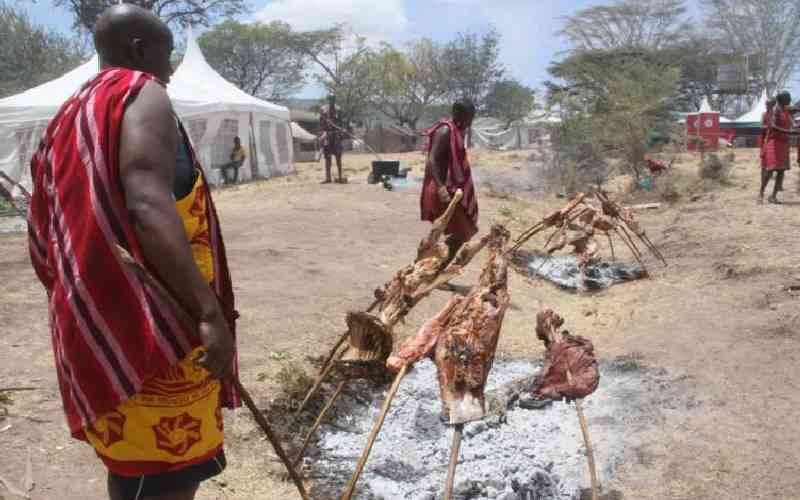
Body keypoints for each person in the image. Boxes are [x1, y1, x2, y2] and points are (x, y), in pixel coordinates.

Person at [26, 5, 238, 500]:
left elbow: (48, 226)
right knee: (164, 472)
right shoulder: (142, 93)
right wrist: (207, 314)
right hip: (156, 325)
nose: (171, 69)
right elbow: (146, 201)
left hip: (105, 314)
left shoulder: (73, 111)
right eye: (167, 54)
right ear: (140, 49)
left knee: (135, 466)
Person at [420, 100, 479, 266]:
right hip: (442, 188)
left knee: (463, 231)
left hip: (450, 187)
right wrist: (441, 188)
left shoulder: (457, 130)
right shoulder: (445, 130)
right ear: (458, 114)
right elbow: (431, 160)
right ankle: (434, 269)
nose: (470, 121)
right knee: (464, 231)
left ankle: (433, 266)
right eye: (469, 116)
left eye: (472, 117)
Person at [761, 91, 794, 203]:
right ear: (782, 99)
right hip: (774, 143)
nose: (790, 100)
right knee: (770, 169)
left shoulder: (786, 111)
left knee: (781, 170)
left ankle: (773, 196)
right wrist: (788, 132)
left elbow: (792, 122)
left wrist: (795, 129)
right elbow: (773, 126)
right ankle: (761, 192)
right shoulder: (775, 110)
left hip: (784, 143)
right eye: (788, 98)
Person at [319, 94, 345, 184]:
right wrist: (322, 134)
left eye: (333, 99)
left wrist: (341, 131)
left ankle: (340, 177)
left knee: (338, 157)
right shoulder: (323, 109)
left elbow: (341, 122)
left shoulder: (338, 109)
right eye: (330, 99)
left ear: (335, 100)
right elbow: (321, 123)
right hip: (327, 136)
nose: (331, 101)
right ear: (328, 100)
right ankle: (328, 178)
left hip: (336, 135)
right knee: (327, 158)